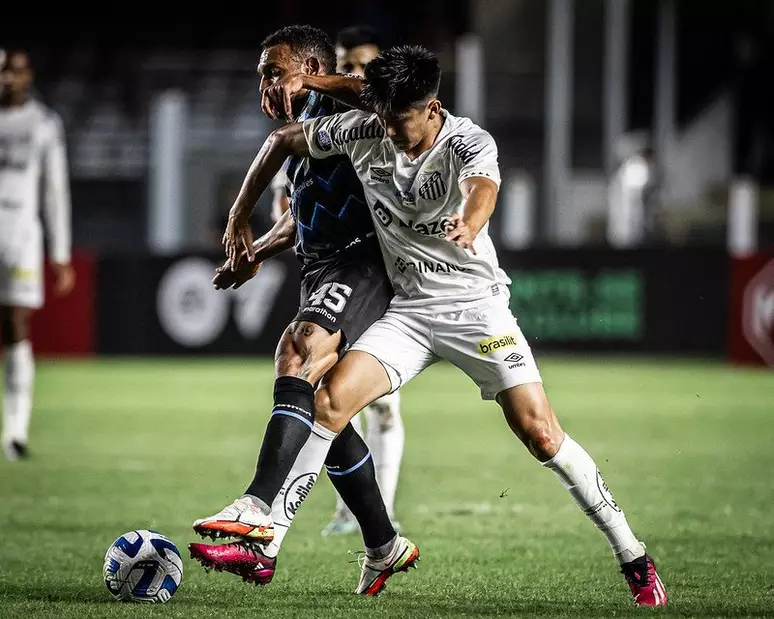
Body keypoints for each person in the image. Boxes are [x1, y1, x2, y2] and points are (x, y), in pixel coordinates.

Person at [192, 44, 668, 606]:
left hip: (475, 309)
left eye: (401, 121)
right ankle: (267, 540)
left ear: (433, 108)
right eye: (383, 118)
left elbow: (482, 189)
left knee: (541, 435)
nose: (390, 133)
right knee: (329, 403)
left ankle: (633, 557)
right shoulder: (365, 129)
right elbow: (282, 141)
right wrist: (240, 215)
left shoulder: (468, 140)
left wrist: (468, 225)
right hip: (411, 314)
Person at [187, 26, 418, 594]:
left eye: (274, 71)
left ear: (312, 67)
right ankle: (384, 544)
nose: (264, 85)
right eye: (261, 74)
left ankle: (256, 507)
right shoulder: (303, 129)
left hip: (365, 263)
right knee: (323, 406)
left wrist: (238, 216)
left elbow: (385, 99)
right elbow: (298, 215)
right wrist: (257, 251)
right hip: (322, 267)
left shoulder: (350, 104)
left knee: (297, 348)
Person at [0, 49, 74, 462]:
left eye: (16, 72)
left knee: (16, 325)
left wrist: (60, 252)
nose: (9, 79)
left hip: (21, 234)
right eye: (4, 72)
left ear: (28, 77)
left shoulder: (44, 124)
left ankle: (15, 430)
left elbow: (55, 190)